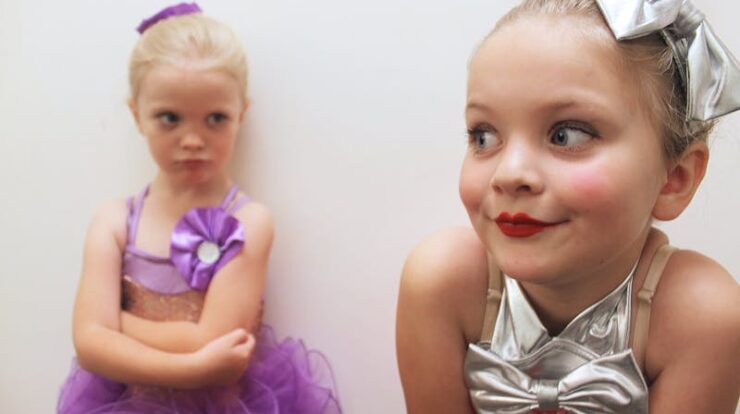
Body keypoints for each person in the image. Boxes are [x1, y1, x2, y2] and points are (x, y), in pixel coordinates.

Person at [396, 0, 740, 412]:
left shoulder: (703, 317)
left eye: (567, 135)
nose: (509, 173)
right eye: (484, 136)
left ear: (673, 179)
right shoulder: (441, 284)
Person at [57, 3, 341, 413]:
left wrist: (111, 327)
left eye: (215, 119)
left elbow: (210, 338)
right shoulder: (114, 221)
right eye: (170, 118)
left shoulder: (249, 221)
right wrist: (194, 368)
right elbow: (88, 346)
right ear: (137, 115)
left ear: (241, 114)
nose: (193, 140)